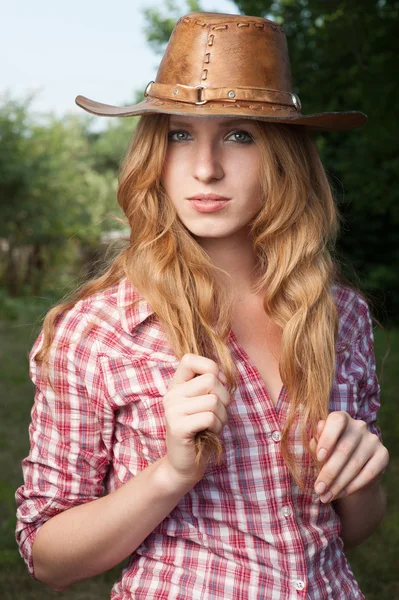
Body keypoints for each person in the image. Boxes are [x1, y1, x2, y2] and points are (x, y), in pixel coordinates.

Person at [15, 11, 389, 600]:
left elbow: (351, 532)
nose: (206, 168)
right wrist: (170, 474)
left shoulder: (342, 317)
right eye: (179, 135)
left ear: (284, 157)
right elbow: (47, 558)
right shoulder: (98, 332)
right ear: (152, 155)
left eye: (240, 135)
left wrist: (361, 482)